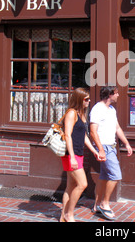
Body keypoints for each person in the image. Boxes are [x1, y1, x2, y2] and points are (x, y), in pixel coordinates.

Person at [90, 86, 133, 220]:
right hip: (103, 147)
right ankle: (105, 203)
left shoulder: (112, 110)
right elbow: (92, 131)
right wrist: (100, 149)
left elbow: (117, 128)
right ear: (109, 95)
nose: (118, 95)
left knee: (104, 176)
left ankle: (96, 205)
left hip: (111, 147)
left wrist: (126, 143)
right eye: (116, 93)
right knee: (115, 175)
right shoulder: (97, 108)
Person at [59, 87, 99, 222]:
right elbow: (68, 136)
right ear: (78, 99)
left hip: (78, 153)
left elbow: (84, 136)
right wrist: (71, 156)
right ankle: (69, 214)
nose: (89, 101)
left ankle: (62, 217)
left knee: (70, 187)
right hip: (71, 154)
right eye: (86, 99)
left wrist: (94, 151)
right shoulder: (71, 113)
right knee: (82, 184)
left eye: (89, 99)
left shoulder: (81, 114)